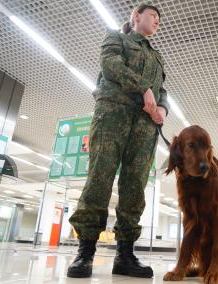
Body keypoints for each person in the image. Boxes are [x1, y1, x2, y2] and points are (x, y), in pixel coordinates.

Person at [67, 4, 169, 279]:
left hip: (144, 127)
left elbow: (163, 90)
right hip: (112, 116)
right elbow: (110, 66)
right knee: (99, 179)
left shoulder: (157, 56)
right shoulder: (116, 38)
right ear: (136, 16)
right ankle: (85, 253)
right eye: (153, 16)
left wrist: (163, 108)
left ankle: (125, 255)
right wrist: (143, 87)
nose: (157, 21)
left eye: (159, 19)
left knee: (135, 187)